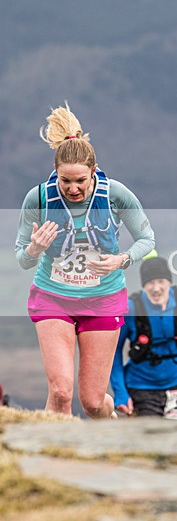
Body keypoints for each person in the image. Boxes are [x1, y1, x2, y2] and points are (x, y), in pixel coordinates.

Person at [15, 103, 155, 418]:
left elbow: (148, 239)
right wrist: (35, 249)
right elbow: (21, 258)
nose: (73, 188)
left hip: (103, 300)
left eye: (80, 180)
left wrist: (121, 259)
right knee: (61, 392)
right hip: (53, 298)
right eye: (66, 181)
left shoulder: (115, 194)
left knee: (92, 402)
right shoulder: (37, 199)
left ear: (93, 171)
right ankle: (52, 459)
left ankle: (110, 432)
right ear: (56, 174)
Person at [110, 256, 177, 419]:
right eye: (150, 283)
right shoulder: (129, 309)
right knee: (151, 442)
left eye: (161, 281)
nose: (156, 288)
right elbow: (112, 350)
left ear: (169, 282)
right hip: (140, 388)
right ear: (143, 285)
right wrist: (120, 392)